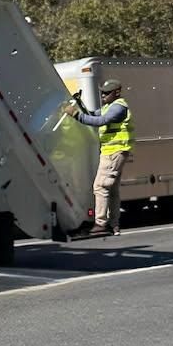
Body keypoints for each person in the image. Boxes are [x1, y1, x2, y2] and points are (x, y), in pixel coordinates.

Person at [64, 79, 133, 236]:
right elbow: (93, 115)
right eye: (101, 92)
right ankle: (113, 225)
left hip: (113, 152)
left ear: (117, 92)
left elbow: (100, 121)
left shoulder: (118, 107)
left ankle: (101, 224)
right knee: (112, 189)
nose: (103, 95)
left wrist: (75, 115)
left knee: (100, 187)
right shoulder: (110, 106)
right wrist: (80, 105)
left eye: (106, 93)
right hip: (114, 151)